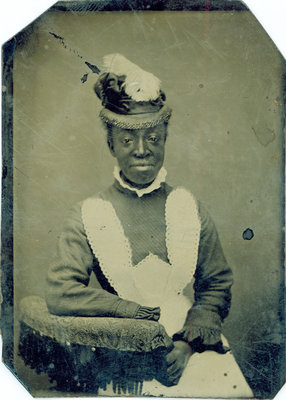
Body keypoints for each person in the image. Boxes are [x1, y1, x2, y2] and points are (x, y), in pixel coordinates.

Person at [45, 54, 253, 397]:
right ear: (110, 143)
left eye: (153, 138)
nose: (141, 150)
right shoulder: (88, 213)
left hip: (191, 352)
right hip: (124, 358)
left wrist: (186, 345)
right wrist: (129, 313)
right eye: (127, 140)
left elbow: (216, 285)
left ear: (165, 139)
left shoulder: (189, 207)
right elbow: (61, 291)